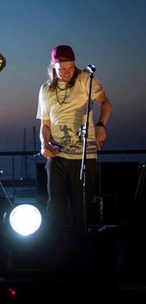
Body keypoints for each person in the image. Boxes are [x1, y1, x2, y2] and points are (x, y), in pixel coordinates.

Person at [37, 45, 112, 245]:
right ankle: (55, 249)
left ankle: (81, 251)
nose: (67, 72)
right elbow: (45, 125)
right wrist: (44, 144)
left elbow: (105, 103)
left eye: (70, 68)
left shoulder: (85, 80)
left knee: (82, 208)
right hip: (57, 155)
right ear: (53, 66)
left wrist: (101, 124)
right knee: (55, 207)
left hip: (84, 156)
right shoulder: (45, 89)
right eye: (62, 69)